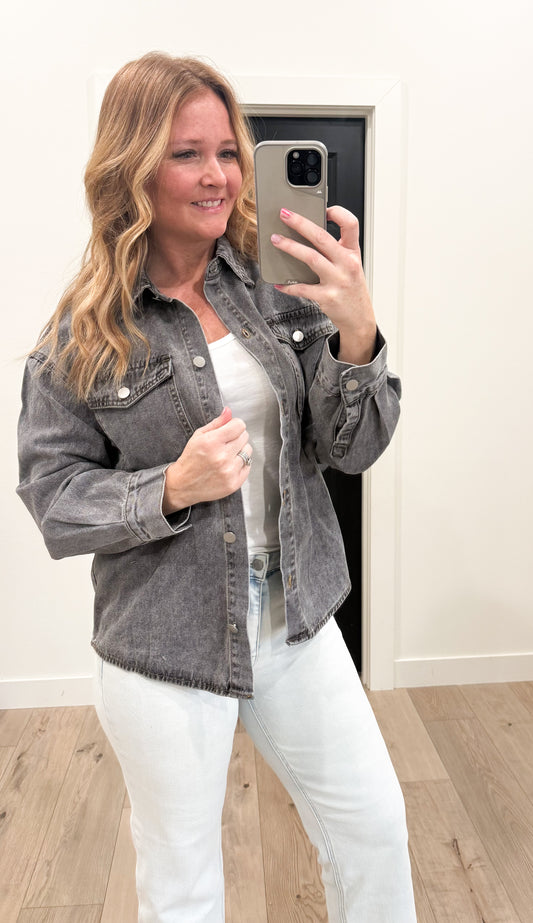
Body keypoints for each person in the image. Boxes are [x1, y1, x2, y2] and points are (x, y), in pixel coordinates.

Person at [17, 52, 417, 923]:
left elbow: (351, 447)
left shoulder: (278, 284)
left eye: (228, 151)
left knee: (374, 829)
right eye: (186, 153)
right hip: (166, 643)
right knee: (184, 885)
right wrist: (169, 486)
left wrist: (357, 333)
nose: (217, 175)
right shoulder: (85, 331)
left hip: (296, 617)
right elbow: (53, 498)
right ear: (132, 166)